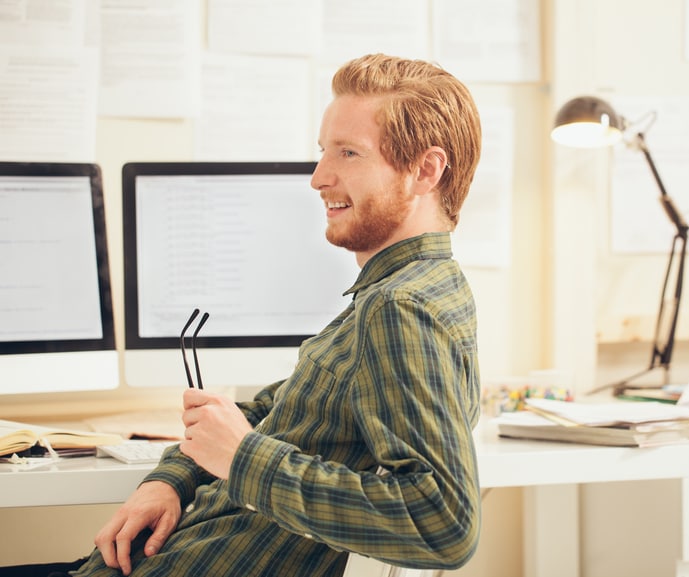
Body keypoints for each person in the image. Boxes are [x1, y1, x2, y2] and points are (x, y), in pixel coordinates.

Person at [2, 53, 483, 577]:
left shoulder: (400, 307)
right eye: (324, 152)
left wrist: (241, 458)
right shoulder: (401, 291)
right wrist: (172, 478)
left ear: (426, 170)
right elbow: (272, 412)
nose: (319, 177)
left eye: (348, 153)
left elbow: (443, 525)